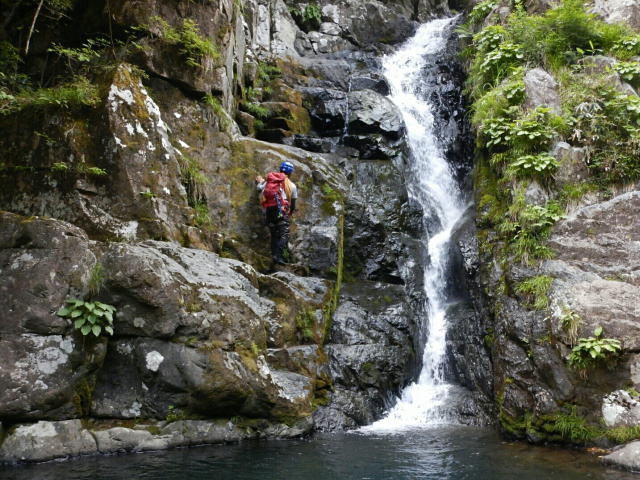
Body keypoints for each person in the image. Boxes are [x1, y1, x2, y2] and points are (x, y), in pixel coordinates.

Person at [255, 161, 298, 267]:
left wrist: (260, 181)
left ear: (280, 169)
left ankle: (275, 256)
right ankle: (278, 256)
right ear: (290, 173)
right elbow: (292, 204)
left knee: (274, 234)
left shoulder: (269, 181)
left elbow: (259, 188)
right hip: (281, 212)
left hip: (269, 211)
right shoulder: (292, 186)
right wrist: (290, 212)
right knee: (284, 235)